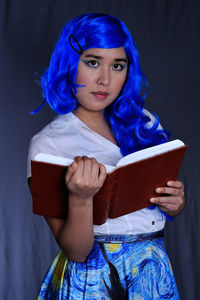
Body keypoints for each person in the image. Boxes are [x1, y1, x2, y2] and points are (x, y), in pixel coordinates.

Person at [27, 13, 185, 299]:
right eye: (92, 62)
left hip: (152, 270)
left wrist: (174, 203)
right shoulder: (48, 144)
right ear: (69, 63)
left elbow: (155, 212)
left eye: (118, 66)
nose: (104, 79)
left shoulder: (146, 123)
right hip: (91, 280)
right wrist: (80, 198)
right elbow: (77, 252)